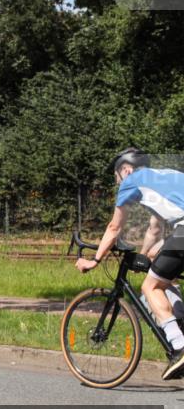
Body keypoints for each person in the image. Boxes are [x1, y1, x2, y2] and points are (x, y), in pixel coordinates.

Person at [75, 148, 184, 379]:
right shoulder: (163, 176)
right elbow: (155, 228)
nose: (118, 184)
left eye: (117, 178)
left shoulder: (131, 181)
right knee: (164, 272)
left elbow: (114, 228)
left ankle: (179, 345)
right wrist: (146, 254)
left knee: (150, 287)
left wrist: (95, 260)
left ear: (126, 169)